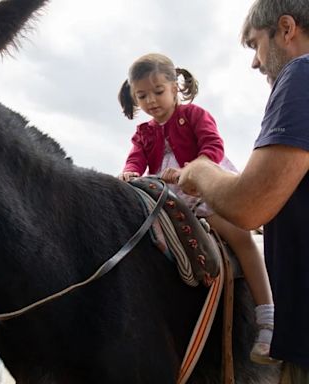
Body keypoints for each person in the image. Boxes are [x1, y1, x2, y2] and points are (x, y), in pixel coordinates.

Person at [175, 0, 309, 381]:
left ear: (286, 29)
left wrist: (201, 170)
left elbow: (250, 204)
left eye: (255, 44)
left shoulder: (302, 72)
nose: (255, 62)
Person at [117, 53, 277, 364]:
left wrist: (193, 169)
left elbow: (213, 147)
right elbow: (136, 158)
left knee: (239, 236)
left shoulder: (195, 115)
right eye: (142, 95)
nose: (151, 100)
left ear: (175, 87)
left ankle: (267, 317)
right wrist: (130, 173)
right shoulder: (143, 133)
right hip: (168, 195)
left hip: (205, 189)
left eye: (158, 91)